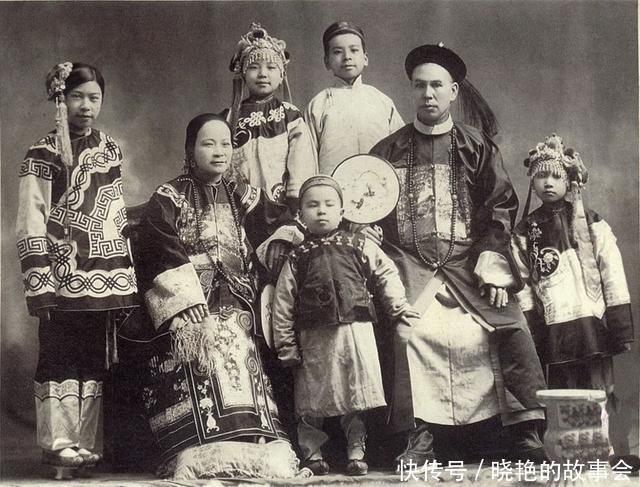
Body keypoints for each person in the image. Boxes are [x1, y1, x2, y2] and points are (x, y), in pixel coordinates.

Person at [368, 44, 548, 467]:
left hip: (469, 262)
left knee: (510, 324)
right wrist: (371, 233)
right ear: (411, 91)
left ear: (453, 91)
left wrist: (492, 264)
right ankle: (416, 434)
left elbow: (500, 207)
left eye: (436, 85)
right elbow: (370, 208)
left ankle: (523, 429)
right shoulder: (387, 151)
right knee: (404, 332)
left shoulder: (477, 146)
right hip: (408, 263)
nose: (428, 94)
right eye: (419, 86)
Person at [135, 113, 304, 480]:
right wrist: (185, 301)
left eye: (226, 143)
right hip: (188, 300)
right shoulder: (170, 195)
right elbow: (157, 244)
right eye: (208, 143)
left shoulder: (243, 193)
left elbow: (281, 222)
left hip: (241, 296)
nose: (219, 151)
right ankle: (202, 447)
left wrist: (282, 240)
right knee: (204, 336)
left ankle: (253, 441)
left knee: (239, 333)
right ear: (190, 150)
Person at [16, 62, 138, 479]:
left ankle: (84, 444)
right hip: (60, 273)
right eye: (77, 97)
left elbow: (115, 212)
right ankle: (58, 445)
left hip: (102, 274)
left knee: (91, 359)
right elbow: (31, 218)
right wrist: (40, 281)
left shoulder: (110, 148)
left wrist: (123, 269)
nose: (86, 106)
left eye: (94, 98)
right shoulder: (42, 152)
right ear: (60, 99)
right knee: (59, 358)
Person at [271, 175, 418, 476]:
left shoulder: (358, 243)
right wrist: (286, 344)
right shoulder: (297, 256)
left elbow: (385, 272)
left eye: (329, 204)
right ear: (300, 215)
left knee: (355, 393)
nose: (321, 211)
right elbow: (282, 302)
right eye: (312, 205)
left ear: (342, 211)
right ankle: (312, 453)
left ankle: (356, 449)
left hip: (355, 332)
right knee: (311, 396)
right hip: (313, 337)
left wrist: (398, 306)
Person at [512, 134, 635, 464]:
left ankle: (600, 450)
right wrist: (531, 322)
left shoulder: (591, 222)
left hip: (590, 320)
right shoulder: (525, 231)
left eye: (556, 176)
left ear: (569, 181)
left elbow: (611, 269)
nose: (548, 183)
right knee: (562, 388)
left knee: (597, 387)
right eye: (541, 176)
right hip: (554, 322)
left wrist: (619, 322)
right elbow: (522, 282)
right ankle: (569, 452)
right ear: (532, 181)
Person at [227, 23, 317, 246]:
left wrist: (295, 200)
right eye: (254, 67)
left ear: (281, 74)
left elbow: (301, 161)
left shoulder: (289, 115)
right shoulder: (230, 117)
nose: (262, 74)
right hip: (239, 204)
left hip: (282, 207)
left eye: (270, 67)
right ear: (242, 73)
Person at [304, 21, 404, 175]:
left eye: (354, 50)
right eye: (337, 52)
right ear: (326, 61)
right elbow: (307, 157)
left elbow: (400, 149)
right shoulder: (318, 104)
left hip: (377, 183)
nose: (347, 57)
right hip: (333, 186)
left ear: (365, 58)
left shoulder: (382, 101)